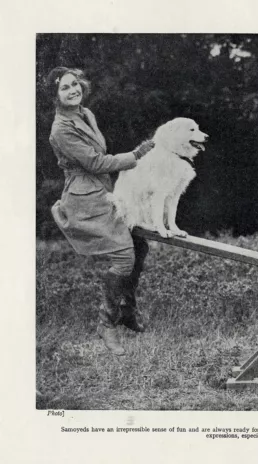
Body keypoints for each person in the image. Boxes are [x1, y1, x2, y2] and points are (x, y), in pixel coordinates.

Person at [46, 67, 155, 356]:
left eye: (74, 84)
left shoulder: (86, 114)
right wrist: (135, 156)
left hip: (103, 192)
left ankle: (127, 310)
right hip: (84, 199)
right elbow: (94, 163)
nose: (72, 90)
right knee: (123, 256)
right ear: (55, 97)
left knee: (139, 244)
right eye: (64, 88)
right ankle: (106, 324)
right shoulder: (60, 128)